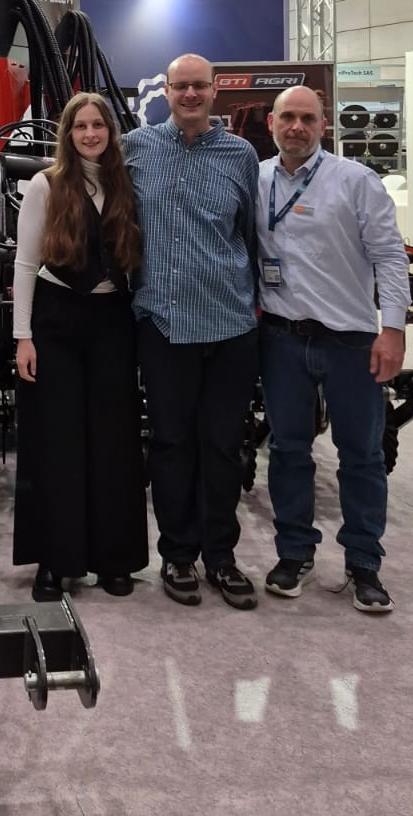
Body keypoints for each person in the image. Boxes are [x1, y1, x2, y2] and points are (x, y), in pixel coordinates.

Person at [256, 86, 410, 614]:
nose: (296, 127)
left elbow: (390, 256)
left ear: (323, 125)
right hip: (280, 339)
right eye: (287, 118)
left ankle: (364, 563)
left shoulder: (356, 181)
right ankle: (294, 553)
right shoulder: (255, 180)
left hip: (350, 341)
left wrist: (392, 329)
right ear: (271, 124)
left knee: (362, 455)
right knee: (287, 451)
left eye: (307, 118)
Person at [123, 53, 261, 610]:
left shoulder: (241, 154)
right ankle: (178, 555)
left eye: (198, 86)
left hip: (229, 324)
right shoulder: (138, 149)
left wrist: (254, 302)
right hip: (163, 322)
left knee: (224, 446)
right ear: (167, 91)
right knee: (172, 444)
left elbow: (250, 233)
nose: (189, 94)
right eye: (180, 86)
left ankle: (221, 558)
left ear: (214, 90)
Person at [13, 92, 148, 602]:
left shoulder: (125, 184)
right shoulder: (44, 185)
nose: (90, 134)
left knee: (114, 443)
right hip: (57, 320)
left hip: (113, 321)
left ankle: (114, 559)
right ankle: (55, 560)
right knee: (58, 441)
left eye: (99, 126)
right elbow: (25, 265)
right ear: (66, 134)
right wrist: (22, 337)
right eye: (80, 127)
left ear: (112, 133)